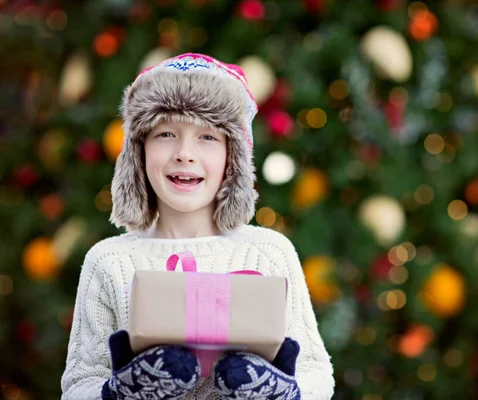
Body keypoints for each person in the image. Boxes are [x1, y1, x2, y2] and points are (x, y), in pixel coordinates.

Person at [60, 53, 335, 399]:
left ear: (232, 157)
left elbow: (316, 372)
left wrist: (282, 392)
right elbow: (79, 385)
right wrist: (120, 392)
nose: (184, 153)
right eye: (165, 134)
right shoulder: (109, 261)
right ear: (139, 151)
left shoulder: (268, 254)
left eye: (207, 137)